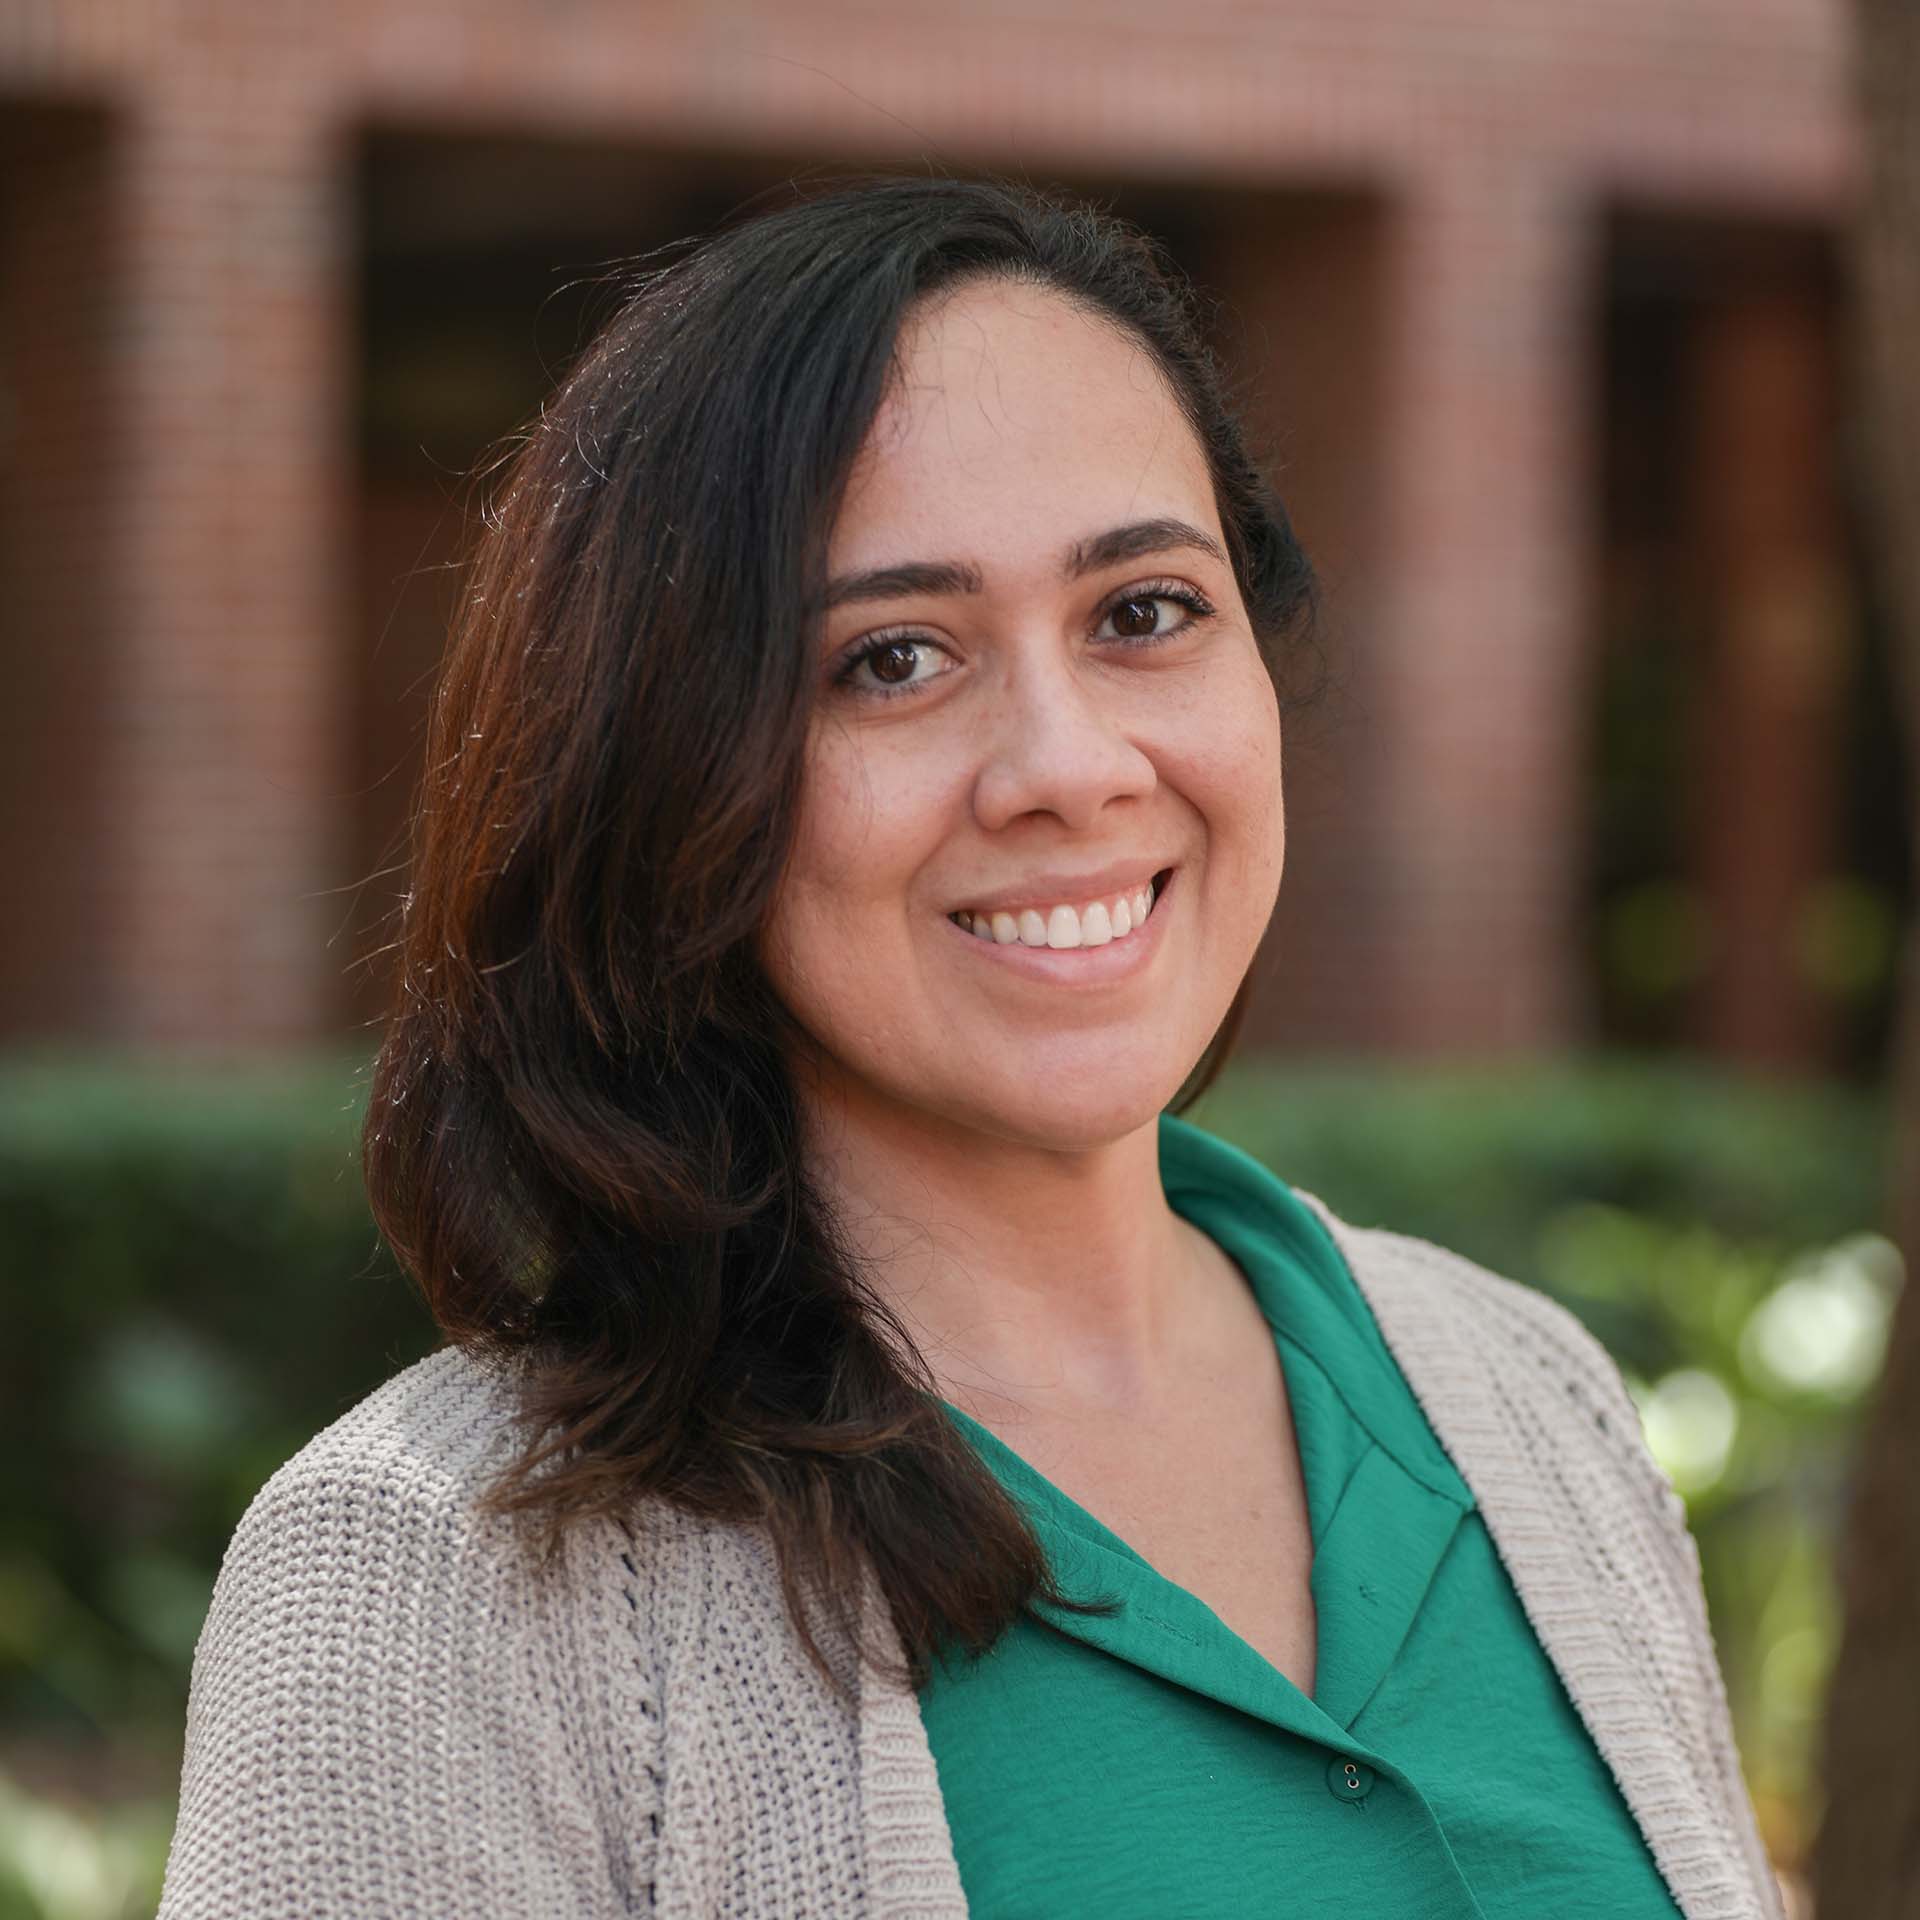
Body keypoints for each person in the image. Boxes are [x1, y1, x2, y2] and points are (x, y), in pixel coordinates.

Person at [156, 173, 1782, 1919]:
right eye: (895, 659)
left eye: (1144, 612)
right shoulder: (438, 1580)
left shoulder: (1529, 1399)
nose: (1070, 766)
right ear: (669, 775)